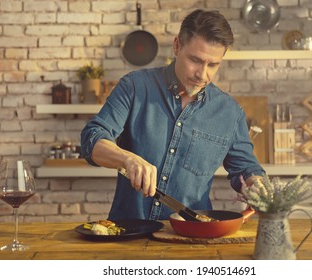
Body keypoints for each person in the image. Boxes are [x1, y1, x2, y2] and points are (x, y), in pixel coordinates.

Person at [80, 9, 265, 221]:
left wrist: (257, 186)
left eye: (213, 65)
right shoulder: (134, 87)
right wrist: (127, 159)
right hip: (129, 234)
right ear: (177, 46)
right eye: (195, 60)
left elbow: (247, 169)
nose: (202, 74)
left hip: (191, 237)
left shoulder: (230, 113)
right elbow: (92, 138)